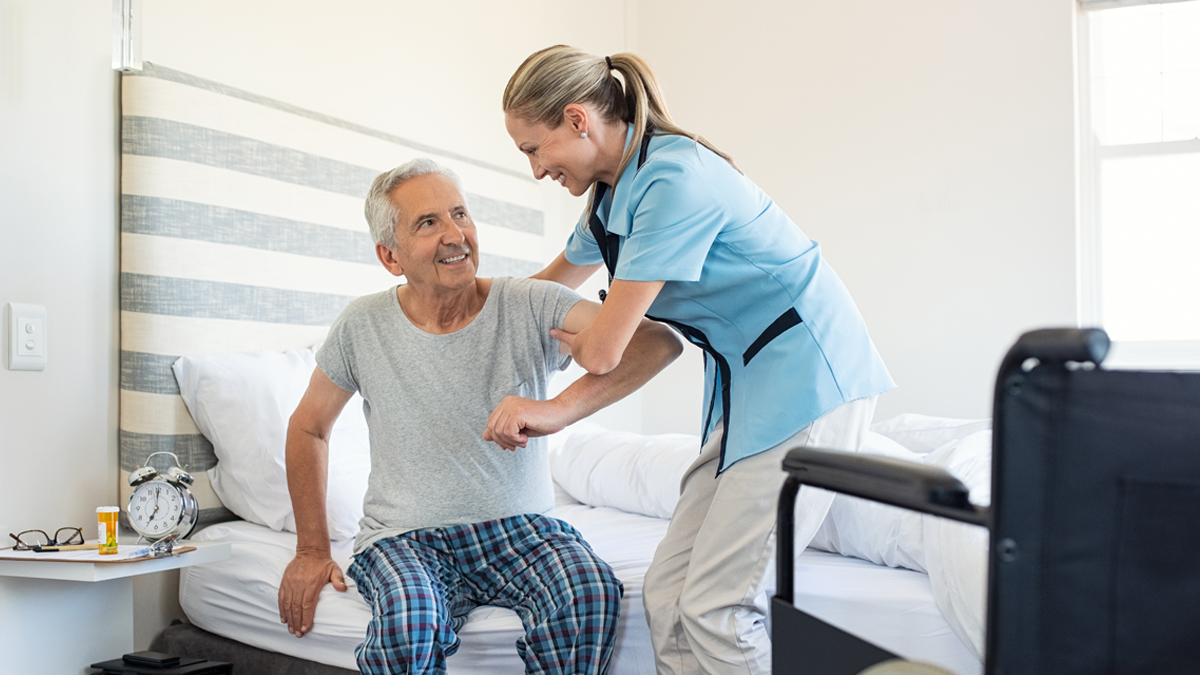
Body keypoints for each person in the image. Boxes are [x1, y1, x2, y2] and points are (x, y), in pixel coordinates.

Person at [502, 46, 896, 674]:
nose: (534, 168)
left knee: (719, 607)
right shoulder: (609, 198)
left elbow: (604, 350)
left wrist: (561, 385)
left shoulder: (673, 180)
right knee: (666, 594)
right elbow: (545, 288)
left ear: (577, 120)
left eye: (533, 148)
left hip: (809, 377)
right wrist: (466, 313)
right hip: (747, 390)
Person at [277, 158, 683, 675]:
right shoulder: (362, 325)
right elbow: (309, 426)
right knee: (409, 623)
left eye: (460, 214)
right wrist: (312, 548)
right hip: (405, 539)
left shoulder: (529, 304)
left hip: (523, 531)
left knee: (587, 592)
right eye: (428, 223)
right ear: (390, 255)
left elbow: (656, 342)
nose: (456, 235)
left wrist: (557, 410)